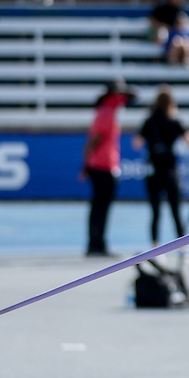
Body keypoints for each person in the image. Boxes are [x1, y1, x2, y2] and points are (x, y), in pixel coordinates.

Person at [133, 86, 189, 249]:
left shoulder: (150, 120)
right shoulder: (175, 120)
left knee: (155, 212)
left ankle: (155, 247)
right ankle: (184, 246)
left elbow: (137, 143)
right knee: (176, 211)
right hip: (170, 171)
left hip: (153, 171)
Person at [81, 80, 135, 258]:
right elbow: (96, 139)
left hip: (100, 164)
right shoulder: (108, 112)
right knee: (101, 207)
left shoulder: (105, 110)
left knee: (98, 206)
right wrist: (88, 162)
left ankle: (96, 242)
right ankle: (97, 243)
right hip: (104, 165)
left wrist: (88, 163)